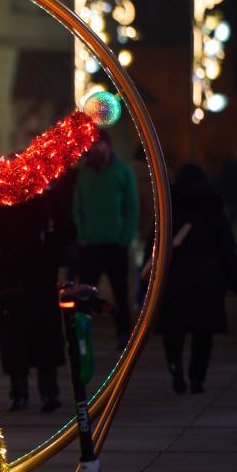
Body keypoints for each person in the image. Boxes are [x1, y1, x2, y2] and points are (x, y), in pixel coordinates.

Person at [157, 164, 237, 394]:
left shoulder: (170, 206)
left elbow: (155, 243)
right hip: (207, 278)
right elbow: (228, 249)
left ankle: (175, 366)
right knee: (203, 332)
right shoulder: (214, 208)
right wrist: (233, 282)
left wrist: (149, 279)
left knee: (173, 329)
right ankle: (197, 377)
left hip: (175, 278)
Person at [0, 190, 66, 412]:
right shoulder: (8, 199)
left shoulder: (46, 199)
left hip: (35, 273)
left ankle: (40, 392)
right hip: (20, 273)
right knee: (18, 334)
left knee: (38, 333)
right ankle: (27, 391)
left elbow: (63, 230)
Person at [72, 129, 138, 348]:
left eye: (100, 144)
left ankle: (124, 333)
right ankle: (83, 336)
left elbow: (131, 207)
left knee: (120, 291)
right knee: (85, 295)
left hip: (115, 244)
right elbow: (77, 207)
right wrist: (81, 235)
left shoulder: (123, 172)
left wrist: (125, 238)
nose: (96, 148)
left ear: (109, 146)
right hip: (89, 244)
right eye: (93, 144)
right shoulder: (83, 173)